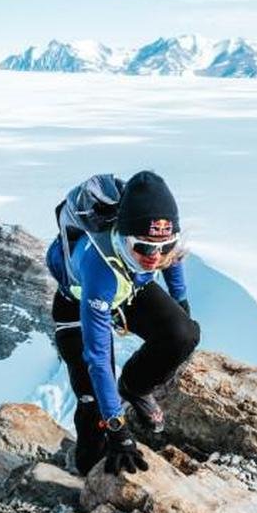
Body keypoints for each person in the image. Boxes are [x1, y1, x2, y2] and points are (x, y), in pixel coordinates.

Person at [46, 170, 200, 476]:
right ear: (122, 236)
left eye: (164, 245)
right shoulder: (99, 267)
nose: (154, 257)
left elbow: (174, 259)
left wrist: (180, 304)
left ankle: (135, 387)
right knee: (92, 404)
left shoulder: (153, 245)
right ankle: (87, 472)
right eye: (143, 247)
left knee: (183, 334)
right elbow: (98, 357)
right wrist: (117, 429)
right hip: (78, 304)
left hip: (130, 288)